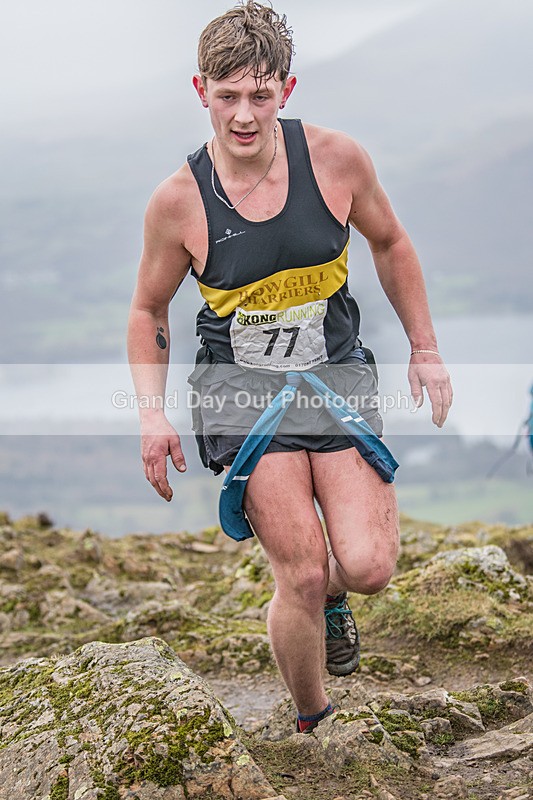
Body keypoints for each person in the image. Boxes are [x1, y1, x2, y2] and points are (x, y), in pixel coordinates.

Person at [127, 1, 453, 734]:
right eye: (227, 94)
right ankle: (314, 720)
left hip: (333, 377)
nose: (243, 114)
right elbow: (147, 311)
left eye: (260, 94)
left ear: (287, 90)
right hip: (239, 393)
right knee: (300, 572)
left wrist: (424, 349)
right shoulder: (178, 201)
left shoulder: (336, 160)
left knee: (365, 567)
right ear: (199, 89)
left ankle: (331, 599)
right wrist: (151, 415)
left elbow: (392, 243)